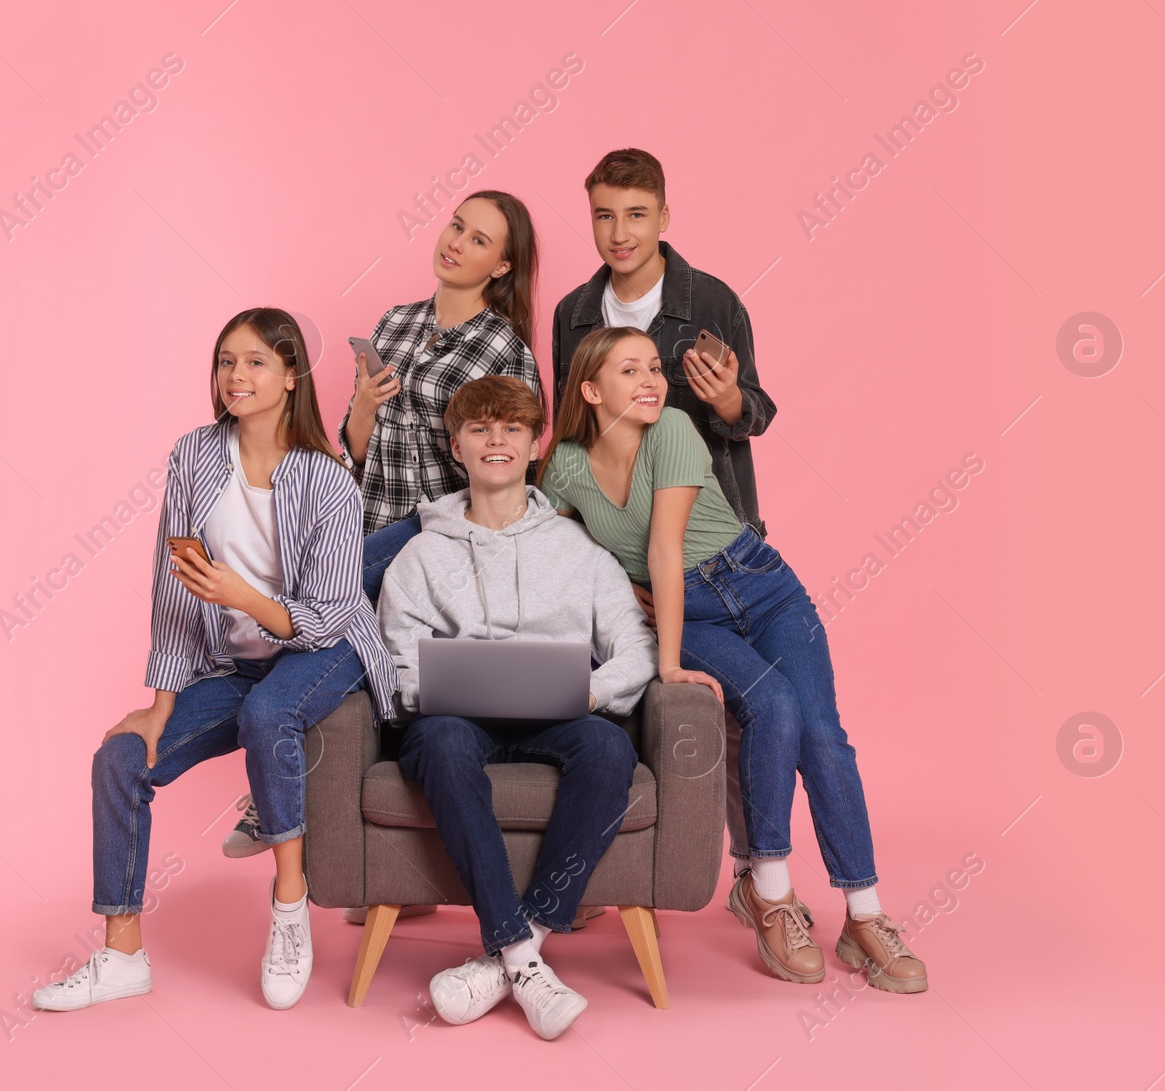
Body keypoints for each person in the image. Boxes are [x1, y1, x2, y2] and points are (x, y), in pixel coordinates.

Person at [538, 328, 928, 994]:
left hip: (762, 583)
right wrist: (630, 602)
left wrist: (654, 636)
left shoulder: (676, 431)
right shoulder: (567, 466)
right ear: (590, 389)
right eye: (629, 369)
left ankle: (864, 914)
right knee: (769, 704)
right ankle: (768, 893)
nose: (650, 379)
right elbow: (555, 545)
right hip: (683, 608)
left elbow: (665, 543)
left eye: (654, 367)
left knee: (823, 734)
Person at [31, 308, 398, 1014]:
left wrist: (244, 594)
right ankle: (122, 954)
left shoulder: (327, 480)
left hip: (326, 645)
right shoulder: (194, 455)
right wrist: (161, 703)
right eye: (226, 360)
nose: (237, 375)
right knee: (119, 758)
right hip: (232, 659)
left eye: (256, 361)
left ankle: (289, 908)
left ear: (292, 376)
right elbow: (172, 582)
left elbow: (325, 614)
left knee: (269, 712)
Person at [225, 191, 543, 866]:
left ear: (502, 266)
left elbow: (511, 468)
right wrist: (365, 406)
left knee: (293, 609)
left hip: (439, 539)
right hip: (370, 529)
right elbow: (357, 449)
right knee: (318, 639)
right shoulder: (396, 323)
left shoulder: (503, 349)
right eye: (457, 225)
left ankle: (269, 790)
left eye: (478, 239)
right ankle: (274, 783)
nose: (456, 241)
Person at [380, 377, 657, 1039]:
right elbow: (398, 659)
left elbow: (636, 648)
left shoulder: (580, 551)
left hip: (559, 714)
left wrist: (588, 691)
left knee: (609, 746)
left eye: (511, 429)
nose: (496, 439)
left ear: (536, 445)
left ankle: (512, 952)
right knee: (441, 742)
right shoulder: (419, 554)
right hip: (454, 721)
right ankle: (523, 958)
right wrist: (440, 684)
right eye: (480, 428)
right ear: (457, 447)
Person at [551, 147, 784, 893]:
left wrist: (724, 402)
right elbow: (574, 431)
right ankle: (601, 870)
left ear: (664, 217)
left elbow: (757, 412)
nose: (619, 232)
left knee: (743, 712)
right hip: (621, 553)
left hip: (716, 549)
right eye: (604, 215)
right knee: (625, 690)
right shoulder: (572, 313)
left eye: (636, 215)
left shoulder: (712, 301)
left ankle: (755, 873)